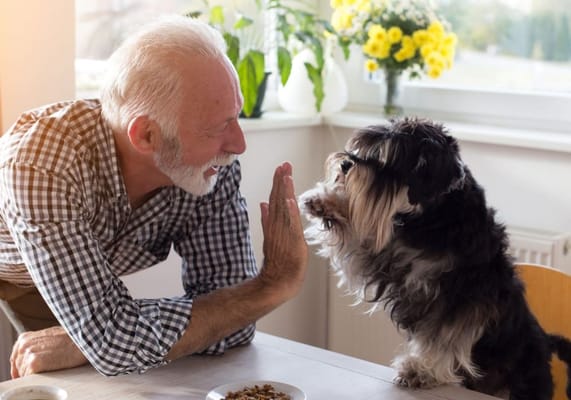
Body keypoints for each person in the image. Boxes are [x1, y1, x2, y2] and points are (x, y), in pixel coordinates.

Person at [0, 15, 308, 378]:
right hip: (12, 270)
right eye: (218, 126)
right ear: (146, 136)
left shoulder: (210, 167)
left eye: (236, 116)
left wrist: (100, 338)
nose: (238, 144)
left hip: (81, 270)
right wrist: (273, 285)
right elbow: (115, 344)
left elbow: (236, 323)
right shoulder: (42, 163)